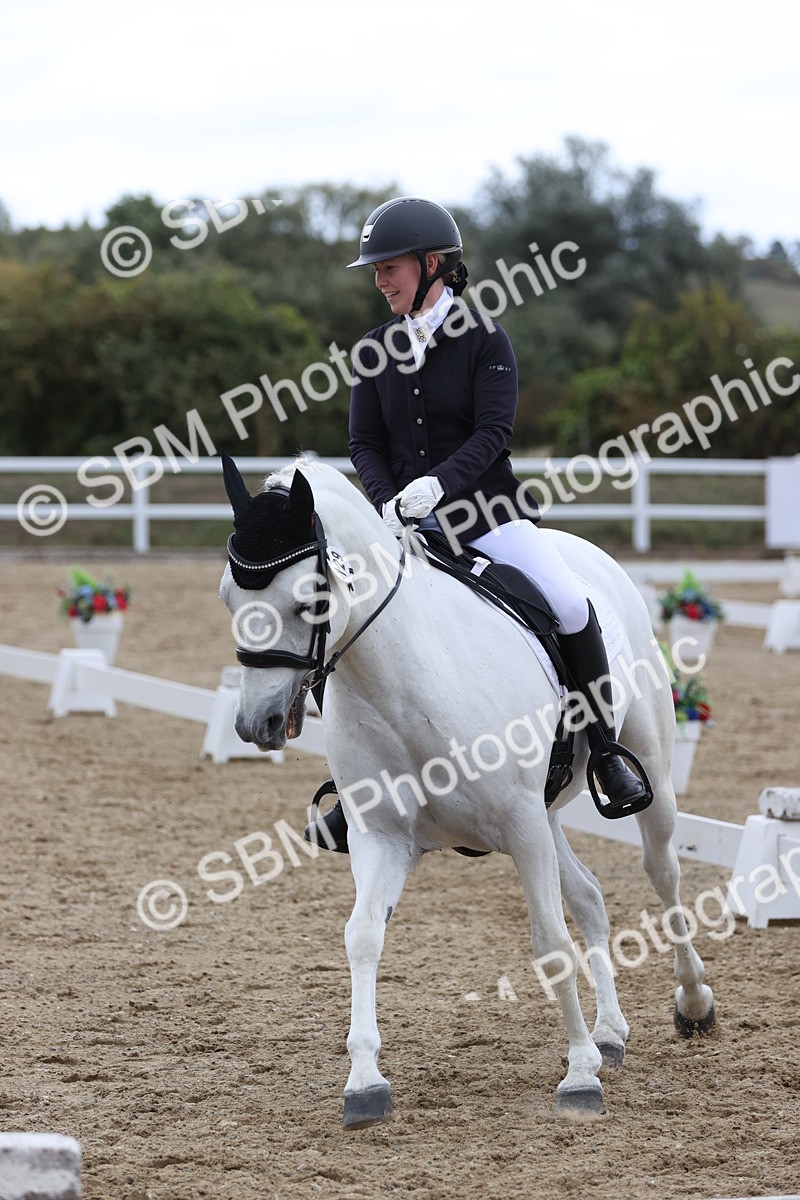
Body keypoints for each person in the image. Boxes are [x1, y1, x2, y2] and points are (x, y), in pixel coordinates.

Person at [305, 196, 648, 853]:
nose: (379, 280)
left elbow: (494, 432)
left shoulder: (484, 338)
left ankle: (605, 750)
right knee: (347, 620)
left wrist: (438, 485)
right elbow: (363, 443)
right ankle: (352, 787)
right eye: (375, 270)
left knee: (571, 605)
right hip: (405, 526)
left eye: (390, 267)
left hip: (489, 514)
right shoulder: (373, 349)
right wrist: (387, 501)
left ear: (434, 265)